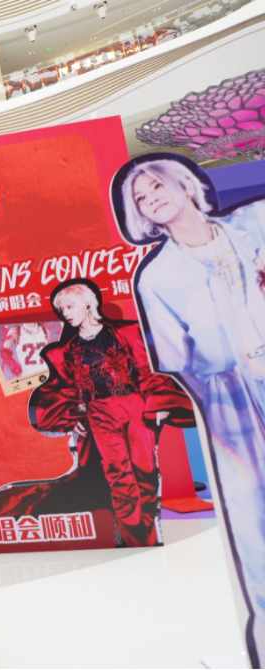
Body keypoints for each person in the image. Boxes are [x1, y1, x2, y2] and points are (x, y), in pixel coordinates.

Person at [119, 157, 265, 659]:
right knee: (255, 521)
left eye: (156, 186)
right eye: (140, 199)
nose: (151, 199)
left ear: (183, 184)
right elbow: (179, 364)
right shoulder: (157, 279)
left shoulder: (256, 223)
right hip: (231, 405)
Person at [0, 281, 195, 546]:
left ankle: (148, 537)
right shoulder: (66, 351)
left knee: (145, 476)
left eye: (69, 306)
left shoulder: (129, 331)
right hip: (99, 413)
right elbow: (67, 391)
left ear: (88, 304)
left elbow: (147, 370)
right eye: (61, 309)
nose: (65, 313)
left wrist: (159, 403)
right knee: (119, 479)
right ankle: (138, 542)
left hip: (135, 407)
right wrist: (73, 418)